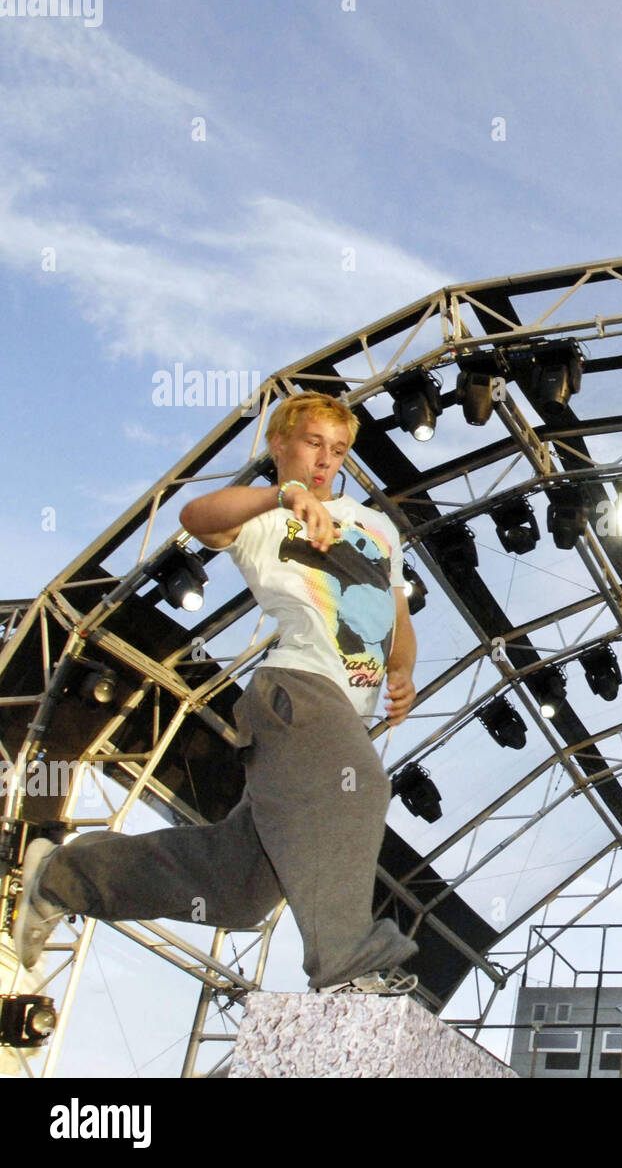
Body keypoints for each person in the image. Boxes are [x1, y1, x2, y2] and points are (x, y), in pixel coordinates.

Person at [13, 391, 422, 994]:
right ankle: (348, 968)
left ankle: (62, 876)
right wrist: (283, 495)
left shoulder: (378, 526)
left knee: (234, 892)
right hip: (297, 691)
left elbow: (396, 615)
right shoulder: (262, 511)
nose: (324, 460)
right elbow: (197, 517)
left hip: (341, 715)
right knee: (359, 784)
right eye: (312, 443)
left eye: (337, 451)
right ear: (280, 443)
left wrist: (402, 673)